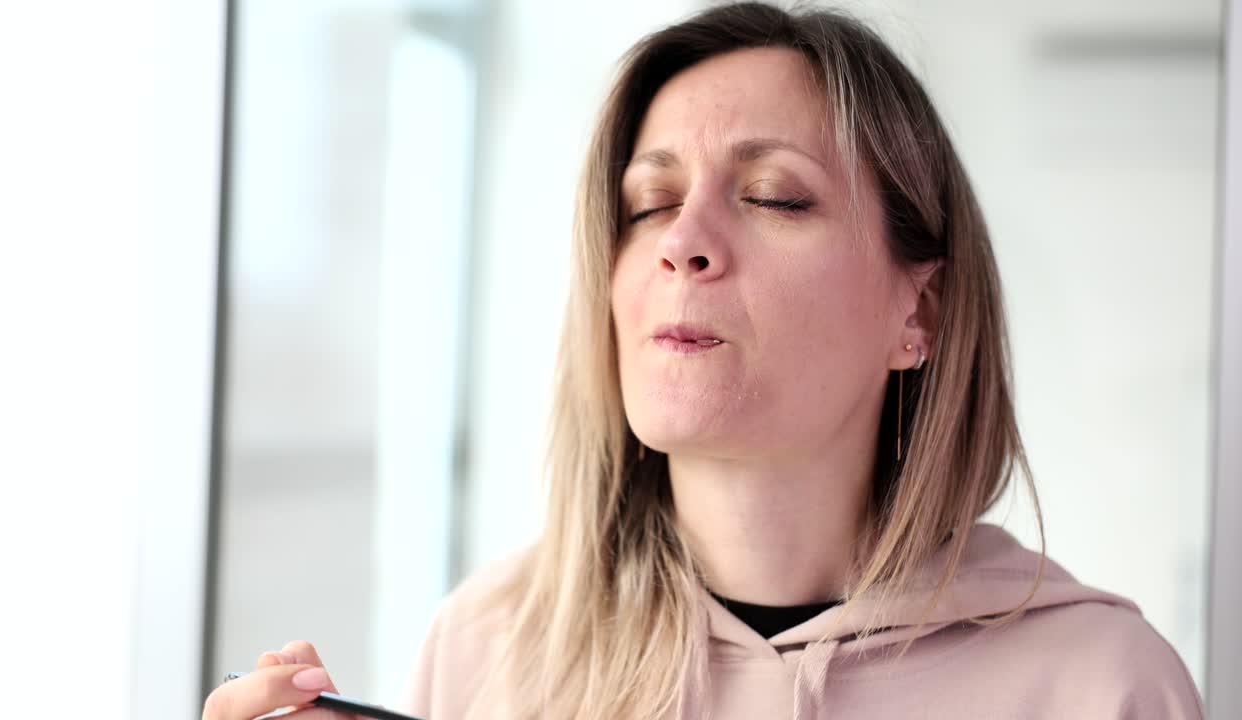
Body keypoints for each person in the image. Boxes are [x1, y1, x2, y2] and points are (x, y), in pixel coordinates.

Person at [202, 3, 1204, 719]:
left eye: (772, 194)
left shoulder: (1100, 686)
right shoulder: (486, 648)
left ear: (921, 310)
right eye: (645, 206)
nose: (684, 239)